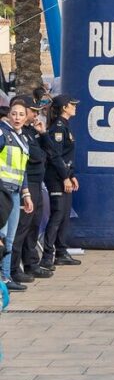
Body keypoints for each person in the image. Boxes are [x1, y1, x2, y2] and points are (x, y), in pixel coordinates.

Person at [10, 96, 50, 285]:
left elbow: (47, 153)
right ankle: (12, 268)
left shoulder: (30, 132)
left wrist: (42, 134)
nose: (35, 114)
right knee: (21, 227)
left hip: (35, 182)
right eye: (32, 111)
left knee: (34, 225)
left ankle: (31, 262)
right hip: (25, 183)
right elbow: (35, 156)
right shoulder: (17, 134)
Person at [40, 95, 80, 270]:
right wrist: (65, 177)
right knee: (57, 215)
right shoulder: (57, 128)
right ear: (64, 107)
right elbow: (55, 156)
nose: (74, 107)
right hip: (56, 177)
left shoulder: (65, 126)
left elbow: (66, 156)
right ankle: (48, 256)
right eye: (72, 105)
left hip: (64, 175)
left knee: (64, 216)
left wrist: (71, 175)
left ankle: (61, 252)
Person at [0, 100, 34, 291]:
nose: (17, 118)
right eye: (14, 114)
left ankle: (5, 278)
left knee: (11, 237)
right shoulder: (2, 133)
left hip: (14, 192)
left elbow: (23, 170)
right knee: (2, 235)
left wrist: (26, 195)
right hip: (2, 192)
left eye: (21, 114)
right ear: (8, 115)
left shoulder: (23, 138)